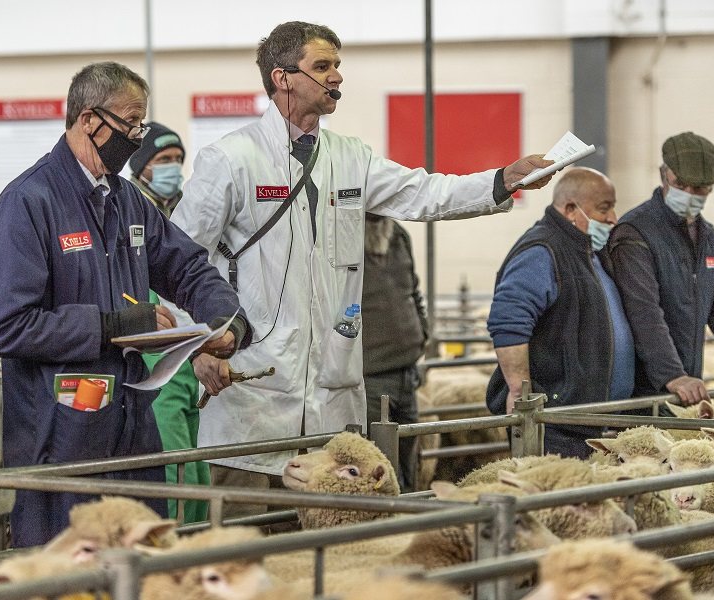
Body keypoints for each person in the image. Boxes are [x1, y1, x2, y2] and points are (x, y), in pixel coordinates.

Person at [171, 20, 554, 513]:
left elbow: (426, 193)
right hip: (252, 393)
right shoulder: (230, 160)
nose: (336, 78)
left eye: (337, 66)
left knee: (325, 554)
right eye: (322, 66)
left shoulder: (351, 159)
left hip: (331, 400)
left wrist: (503, 179)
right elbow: (178, 260)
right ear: (282, 77)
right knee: (243, 556)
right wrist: (200, 345)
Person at [0, 61, 251, 547]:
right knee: (67, 573)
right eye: (130, 122)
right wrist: (109, 326)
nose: (136, 134)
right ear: (89, 119)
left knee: (143, 563)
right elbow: (7, 327)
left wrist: (225, 317)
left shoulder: (126, 200)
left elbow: (185, 265)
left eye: (140, 123)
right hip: (59, 437)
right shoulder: (29, 201)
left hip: (131, 426)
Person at [485, 167, 635, 459]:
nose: (613, 218)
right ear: (570, 209)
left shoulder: (587, 251)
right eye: (604, 208)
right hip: (555, 426)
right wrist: (520, 392)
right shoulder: (543, 250)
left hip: (591, 422)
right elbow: (509, 318)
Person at [129, 123, 210, 523]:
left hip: (186, 357)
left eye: (178, 160)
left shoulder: (179, 215)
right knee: (173, 474)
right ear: (140, 166)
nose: (172, 168)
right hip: (153, 365)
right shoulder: (125, 213)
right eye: (162, 161)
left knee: (196, 471)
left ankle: (196, 559)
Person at [609, 131, 714, 407]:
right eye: (681, 184)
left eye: (700, 189)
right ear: (664, 175)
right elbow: (643, 310)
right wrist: (672, 374)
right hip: (645, 391)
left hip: (686, 386)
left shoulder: (708, 238)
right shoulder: (635, 233)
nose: (689, 195)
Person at [361, 214, 428, 492]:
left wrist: (422, 331)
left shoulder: (398, 235)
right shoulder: (340, 238)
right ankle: (382, 528)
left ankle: (407, 520)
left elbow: (412, 289)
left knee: (409, 455)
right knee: (376, 464)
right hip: (370, 376)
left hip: (406, 372)